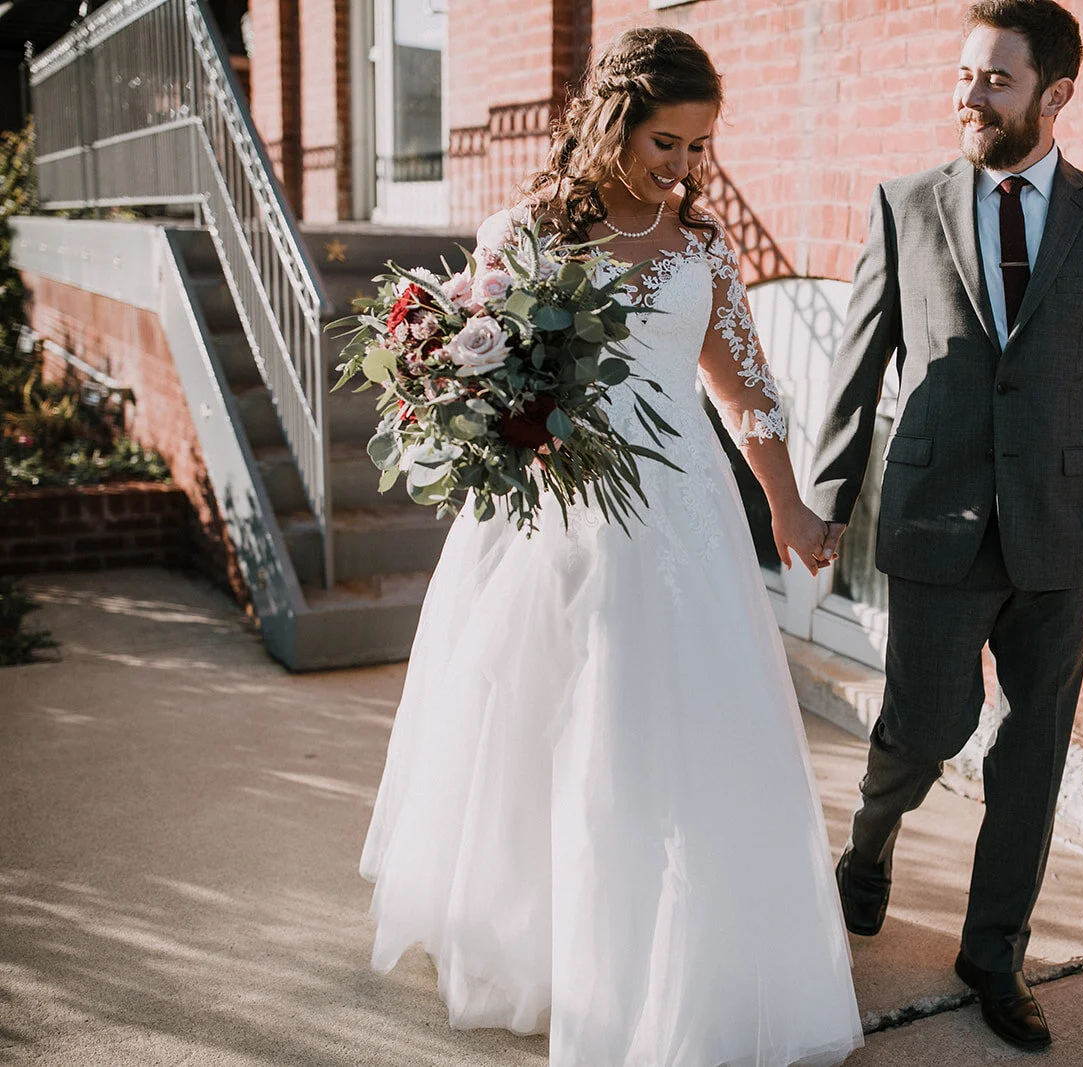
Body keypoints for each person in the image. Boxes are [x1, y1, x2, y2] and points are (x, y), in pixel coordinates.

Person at [359, 27, 864, 1067]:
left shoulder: (703, 249)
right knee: (543, 718)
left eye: (700, 147)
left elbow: (745, 390)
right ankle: (547, 943)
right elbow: (481, 375)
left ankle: (673, 957)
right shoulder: (527, 230)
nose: (684, 167)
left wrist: (788, 506)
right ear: (614, 121)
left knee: (672, 723)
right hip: (556, 511)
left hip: (680, 509)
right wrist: (482, 415)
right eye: (667, 143)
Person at [811, 0, 1083, 1051]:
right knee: (923, 729)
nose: (967, 94)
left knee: (1032, 755)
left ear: (1055, 96)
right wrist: (828, 499)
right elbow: (856, 361)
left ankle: (994, 950)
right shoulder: (904, 204)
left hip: (1060, 532)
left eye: (995, 80)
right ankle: (870, 841)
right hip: (936, 520)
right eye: (964, 73)